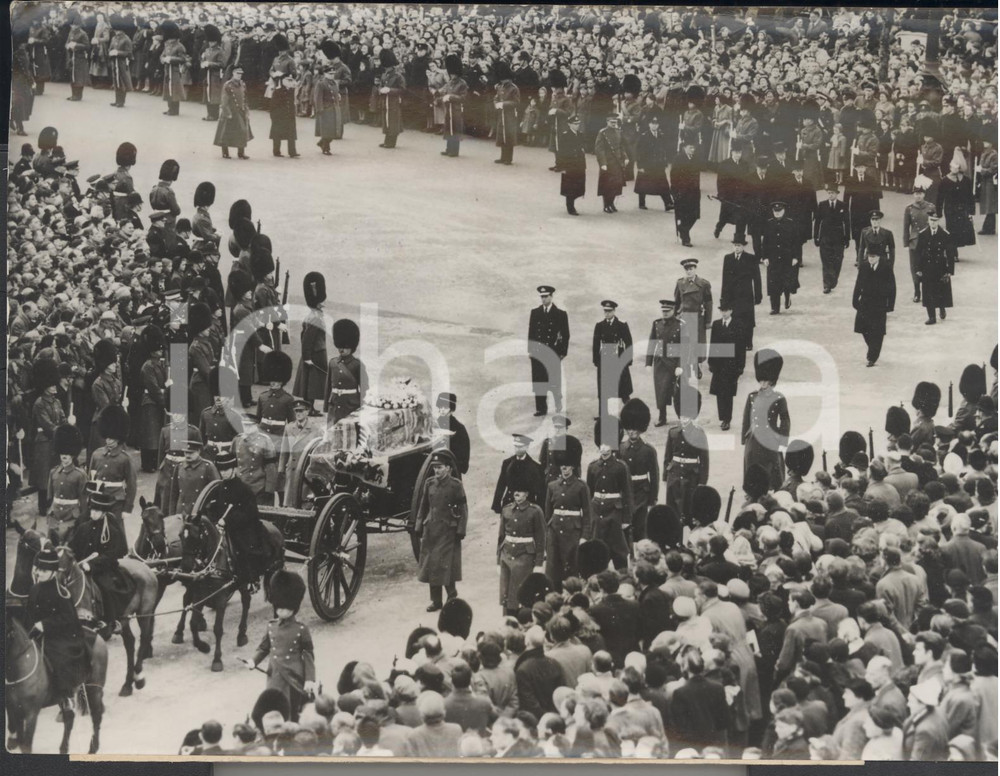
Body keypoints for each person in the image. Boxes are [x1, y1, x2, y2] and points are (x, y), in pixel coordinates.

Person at [245, 569, 317, 723]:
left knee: (292, 708)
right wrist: (253, 661)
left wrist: (310, 679)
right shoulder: (271, 626)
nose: (281, 611)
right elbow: (264, 648)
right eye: (278, 608)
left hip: (293, 677)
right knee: (273, 707)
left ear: (293, 608)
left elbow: (308, 655)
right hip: (275, 676)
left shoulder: (301, 629)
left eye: (285, 608)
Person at [25, 546, 89, 707]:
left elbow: (69, 619)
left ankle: (66, 696)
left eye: (44, 571)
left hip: (61, 635)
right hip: (36, 634)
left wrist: (44, 625)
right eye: (38, 569)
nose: (39, 573)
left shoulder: (62, 593)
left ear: (53, 572)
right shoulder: (34, 589)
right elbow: (29, 615)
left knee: (60, 658)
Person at [69, 489, 131, 637]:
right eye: (92, 510)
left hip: (103, 569)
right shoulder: (84, 528)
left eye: (96, 511)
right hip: (81, 568)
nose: (93, 513)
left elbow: (112, 555)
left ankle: (111, 620)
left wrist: (92, 565)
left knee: (105, 587)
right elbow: (73, 547)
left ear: (103, 512)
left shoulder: (111, 530)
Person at [414, 451, 468, 612]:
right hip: (431, 530)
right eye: (435, 468)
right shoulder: (429, 484)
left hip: (447, 531)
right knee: (432, 566)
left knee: (445, 565)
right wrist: (418, 525)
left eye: (440, 468)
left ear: (448, 468)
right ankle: (436, 601)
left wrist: (461, 529)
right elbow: (423, 506)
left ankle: (452, 596)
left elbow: (463, 509)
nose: (437, 471)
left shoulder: (456, 486)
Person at [497, 474, 546, 616]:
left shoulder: (535, 511)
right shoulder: (506, 509)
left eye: (520, 491)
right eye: (514, 491)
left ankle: (522, 619)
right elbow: (501, 537)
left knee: (519, 592)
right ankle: (507, 619)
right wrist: (498, 561)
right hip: (506, 556)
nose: (516, 494)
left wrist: (538, 563)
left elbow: (541, 538)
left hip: (525, 557)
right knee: (506, 592)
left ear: (527, 494)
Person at [741, 349, 789, 490]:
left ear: (772, 381)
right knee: (751, 465)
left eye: (766, 381)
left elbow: (785, 420)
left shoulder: (779, 398)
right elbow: (746, 419)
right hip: (754, 439)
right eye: (761, 380)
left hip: (770, 439)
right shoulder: (752, 397)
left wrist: (782, 440)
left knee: (773, 469)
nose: (763, 383)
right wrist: (745, 438)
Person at [543, 448, 590, 590]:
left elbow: (587, 514)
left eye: (568, 465)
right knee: (553, 571)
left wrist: (584, 536)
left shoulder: (581, 486)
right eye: (562, 465)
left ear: (573, 466)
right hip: (555, 533)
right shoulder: (552, 486)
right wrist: (547, 535)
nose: (564, 468)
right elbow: (547, 514)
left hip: (573, 533)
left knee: (572, 570)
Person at [663, 389, 709, 524]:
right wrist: (666, 475)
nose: (683, 420)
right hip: (675, 474)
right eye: (681, 417)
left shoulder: (699, 433)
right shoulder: (673, 433)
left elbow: (704, 460)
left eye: (686, 417)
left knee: (688, 509)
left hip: (691, 475)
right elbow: (668, 456)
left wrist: (702, 481)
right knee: (673, 508)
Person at [586, 444, 633, 570]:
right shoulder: (593, 466)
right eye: (602, 446)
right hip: (597, 510)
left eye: (608, 447)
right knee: (597, 544)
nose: (604, 450)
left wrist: (626, 518)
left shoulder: (620, 466)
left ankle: (622, 574)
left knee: (618, 547)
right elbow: (589, 493)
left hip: (614, 511)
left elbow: (627, 492)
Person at [619, 399, 659, 542]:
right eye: (629, 428)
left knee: (641, 528)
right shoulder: (621, 448)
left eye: (635, 428)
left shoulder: (648, 450)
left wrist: (652, 499)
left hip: (642, 493)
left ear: (641, 428)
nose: (632, 432)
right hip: (625, 493)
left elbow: (654, 476)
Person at [527, 286, 569, 417]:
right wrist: (531, 350)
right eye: (542, 297)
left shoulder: (560, 314)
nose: (543, 299)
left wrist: (562, 352)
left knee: (554, 379)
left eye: (546, 296)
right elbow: (532, 333)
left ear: (551, 297)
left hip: (553, 352)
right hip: (538, 352)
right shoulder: (535, 312)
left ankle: (558, 402)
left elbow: (565, 334)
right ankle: (541, 408)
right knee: (539, 380)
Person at [852, 248, 896, 367]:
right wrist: (855, 300)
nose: (871, 259)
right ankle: (872, 347)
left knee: (877, 331)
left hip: (879, 304)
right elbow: (858, 283)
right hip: (865, 302)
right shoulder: (864, 266)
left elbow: (892, 287)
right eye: (869, 257)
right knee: (862, 328)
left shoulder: (886, 268)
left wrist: (890, 305)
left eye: (873, 257)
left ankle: (872, 356)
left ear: (878, 257)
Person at [645, 299, 684, 427]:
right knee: (661, 391)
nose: (665, 313)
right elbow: (652, 344)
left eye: (668, 311)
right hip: (660, 362)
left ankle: (682, 418)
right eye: (663, 311)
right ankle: (662, 417)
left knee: (676, 392)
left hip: (673, 363)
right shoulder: (657, 324)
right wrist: (648, 363)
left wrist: (680, 365)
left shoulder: (680, 325)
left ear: (673, 311)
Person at [291, 272, 327, 412]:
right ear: (318, 302)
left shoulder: (312, 315)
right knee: (312, 383)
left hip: (314, 352)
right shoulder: (315, 318)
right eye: (322, 299)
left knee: (311, 382)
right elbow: (307, 339)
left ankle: (310, 407)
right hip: (315, 353)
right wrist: (307, 357)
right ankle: (309, 408)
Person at [47, 424, 87, 544]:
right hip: (55, 518)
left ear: (73, 454)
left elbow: (84, 502)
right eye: (62, 452)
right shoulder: (53, 472)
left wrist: (83, 523)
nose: (64, 455)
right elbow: (50, 497)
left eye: (67, 453)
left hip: (72, 519)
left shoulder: (80, 475)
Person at [720, 236, 762, 350]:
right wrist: (723, 297)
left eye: (739, 245)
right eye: (735, 245)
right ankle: (735, 342)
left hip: (746, 294)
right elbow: (725, 278)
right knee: (733, 318)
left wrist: (758, 295)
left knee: (747, 319)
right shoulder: (728, 258)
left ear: (743, 246)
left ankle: (748, 342)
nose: (737, 248)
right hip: (732, 294)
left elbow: (757, 278)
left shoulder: (751, 258)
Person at [708, 300, 744, 431]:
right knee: (719, 392)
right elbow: (712, 345)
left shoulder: (738, 325)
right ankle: (722, 417)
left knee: (728, 393)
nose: (724, 313)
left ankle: (727, 419)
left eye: (726, 310)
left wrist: (741, 366)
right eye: (722, 310)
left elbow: (741, 348)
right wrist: (711, 362)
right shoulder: (717, 325)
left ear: (731, 311)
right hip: (718, 365)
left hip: (731, 366)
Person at [915, 212, 956, 326]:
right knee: (928, 292)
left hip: (940, 267)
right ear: (928, 221)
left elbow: (950, 253)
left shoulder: (945, 234)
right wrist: (918, 268)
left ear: (938, 221)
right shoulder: (923, 234)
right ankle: (931, 317)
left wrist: (949, 271)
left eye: (935, 220)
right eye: (931, 220)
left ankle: (942, 307)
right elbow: (918, 252)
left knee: (941, 291)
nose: (933, 222)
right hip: (927, 267)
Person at [673, 258, 712, 375]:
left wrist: (708, 321)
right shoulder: (680, 283)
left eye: (691, 269)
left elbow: (708, 303)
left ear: (695, 269)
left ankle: (697, 366)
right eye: (687, 269)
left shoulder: (704, 284)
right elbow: (677, 301)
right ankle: (684, 366)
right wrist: (675, 317)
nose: (689, 272)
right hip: (684, 317)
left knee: (697, 344)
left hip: (697, 317)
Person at [324, 319, 367, 425]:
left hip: (350, 405)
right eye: (340, 346)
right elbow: (328, 387)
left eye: (345, 347)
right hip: (334, 405)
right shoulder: (333, 363)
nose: (341, 349)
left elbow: (364, 389)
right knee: (332, 433)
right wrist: (326, 406)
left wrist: (363, 408)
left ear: (352, 347)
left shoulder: (357, 365)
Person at [761, 201, 800, 314]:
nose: (777, 213)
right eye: (775, 211)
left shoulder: (791, 223)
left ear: (784, 211)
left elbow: (796, 242)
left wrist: (796, 257)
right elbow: (765, 243)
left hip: (787, 258)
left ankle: (787, 296)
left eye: (779, 211)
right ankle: (774, 307)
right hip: (773, 259)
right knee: (773, 283)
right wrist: (765, 257)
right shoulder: (768, 224)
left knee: (786, 282)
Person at [492, 434, 545, 513]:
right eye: (516, 446)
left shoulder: (535, 467)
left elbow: (540, 492)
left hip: (528, 507)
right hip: (509, 503)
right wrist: (496, 503)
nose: (517, 449)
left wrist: (539, 510)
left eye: (520, 447)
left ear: (527, 447)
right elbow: (501, 484)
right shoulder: (507, 463)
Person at [814, 183, 851, 294]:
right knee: (826, 261)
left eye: (833, 193)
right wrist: (816, 236)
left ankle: (833, 280)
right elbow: (817, 222)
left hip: (839, 238)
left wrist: (847, 238)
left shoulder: (843, 205)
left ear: (836, 194)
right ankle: (826, 284)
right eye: (829, 193)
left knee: (837, 260)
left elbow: (847, 222)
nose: (830, 195)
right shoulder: (822, 205)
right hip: (825, 237)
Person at [902, 187, 937, 303]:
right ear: (913, 195)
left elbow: (934, 223)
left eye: (920, 194)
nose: (918, 196)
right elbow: (906, 227)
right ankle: (917, 291)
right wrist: (906, 242)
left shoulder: (931, 207)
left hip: (928, 240)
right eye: (916, 194)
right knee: (915, 267)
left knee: (929, 266)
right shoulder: (909, 209)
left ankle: (928, 291)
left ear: (924, 195)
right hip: (915, 242)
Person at [902, 678, 949, 761]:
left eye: (911, 701)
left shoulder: (925, 731)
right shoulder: (936, 711)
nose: (908, 705)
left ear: (922, 704)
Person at [937, 160, 976, 252]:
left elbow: (970, 196)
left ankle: (955, 248)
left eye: (957, 167)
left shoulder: (966, 180)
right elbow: (940, 197)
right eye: (953, 167)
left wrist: (971, 211)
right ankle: (953, 252)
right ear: (950, 168)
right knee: (951, 230)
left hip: (963, 209)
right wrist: (939, 212)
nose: (955, 169)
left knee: (961, 230)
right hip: (950, 210)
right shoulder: (945, 181)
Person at [634, 116, 672, 211]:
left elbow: (664, 150)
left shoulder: (661, 135)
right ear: (649, 125)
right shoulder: (644, 136)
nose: (654, 126)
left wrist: (665, 161)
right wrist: (640, 166)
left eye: (656, 124)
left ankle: (668, 204)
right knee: (643, 184)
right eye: (652, 123)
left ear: (658, 125)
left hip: (658, 164)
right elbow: (638, 152)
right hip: (647, 164)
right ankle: (641, 203)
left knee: (663, 184)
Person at [214, 65, 252, 159]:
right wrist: (227, 112)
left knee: (243, 131)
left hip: (240, 111)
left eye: (241, 74)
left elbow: (245, 98)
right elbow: (224, 100)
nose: (239, 75)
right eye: (237, 73)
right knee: (226, 132)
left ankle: (241, 152)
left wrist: (246, 109)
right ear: (233, 73)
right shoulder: (228, 85)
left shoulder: (243, 84)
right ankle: (225, 152)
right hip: (231, 111)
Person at [714, 140, 750, 240]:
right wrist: (721, 194)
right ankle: (719, 227)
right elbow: (720, 181)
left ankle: (738, 238)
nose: (738, 155)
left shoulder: (745, 164)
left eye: (739, 152)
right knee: (724, 217)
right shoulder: (724, 164)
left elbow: (747, 180)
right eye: (736, 152)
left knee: (741, 218)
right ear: (732, 152)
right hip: (728, 196)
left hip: (741, 197)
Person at [595, 113, 629, 213]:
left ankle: (612, 203)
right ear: (607, 122)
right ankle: (606, 205)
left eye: (615, 122)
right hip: (608, 162)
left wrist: (625, 157)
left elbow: (621, 146)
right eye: (611, 122)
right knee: (607, 185)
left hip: (618, 162)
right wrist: (603, 163)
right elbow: (599, 149)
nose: (614, 124)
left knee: (617, 185)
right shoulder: (602, 133)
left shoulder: (618, 132)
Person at [672, 140, 702, 246]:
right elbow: (674, 176)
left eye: (693, 148)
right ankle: (686, 238)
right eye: (690, 147)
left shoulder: (696, 158)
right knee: (684, 215)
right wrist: (675, 192)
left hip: (694, 191)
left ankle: (682, 229)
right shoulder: (678, 158)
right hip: (682, 191)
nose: (692, 150)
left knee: (694, 215)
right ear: (684, 147)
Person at [438, 55, 468, 157]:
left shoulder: (462, 83)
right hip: (448, 109)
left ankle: (455, 150)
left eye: (454, 74)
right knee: (448, 128)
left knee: (455, 128)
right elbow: (443, 92)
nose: (452, 76)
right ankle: (448, 148)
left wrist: (451, 97)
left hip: (456, 109)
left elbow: (463, 98)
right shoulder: (449, 82)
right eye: (451, 74)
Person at [434, 392, 470, 476]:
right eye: (440, 407)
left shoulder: (459, 428)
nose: (442, 410)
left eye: (445, 407)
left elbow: (464, 452)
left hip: (451, 468)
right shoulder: (434, 423)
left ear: (451, 409)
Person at [557, 115, 587, 215]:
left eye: (578, 124)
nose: (577, 126)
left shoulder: (580, 134)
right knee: (570, 187)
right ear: (569, 124)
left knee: (578, 185)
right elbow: (561, 152)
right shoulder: (565, 135)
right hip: (569, 165)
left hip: (579, 164)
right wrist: (562, 166)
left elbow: (583, 148)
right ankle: (570, 207)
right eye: (575, 124)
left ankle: (572, 203)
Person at [377, 50, 405, 150]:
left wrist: (390, 90)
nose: (387, 68)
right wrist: (380, 90)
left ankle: (392, 142)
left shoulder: (398, 75)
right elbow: (380, 86)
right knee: (386, 120)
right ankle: (387, 140)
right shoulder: (384, 75)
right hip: (385, 101)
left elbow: (402, 89)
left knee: (393, 120)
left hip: (393, 101)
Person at [493, 61, 520, 165]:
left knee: (508, 135)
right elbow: (496, 97)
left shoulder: (513, 88)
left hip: (509, 115)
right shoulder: (500, 87)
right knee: (502, 134)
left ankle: (508, 158)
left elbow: (516, 102)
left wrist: (503, 104)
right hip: (501, 114)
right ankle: (503, 156)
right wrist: (496, 103)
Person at [159, 22, 186, 116]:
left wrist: (171, 59)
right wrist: (162, 59)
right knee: (168, 89)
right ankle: (170, 108)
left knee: (175, 90)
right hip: (167, 69)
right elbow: (162, 55)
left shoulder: (179, 46)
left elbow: (183, 59)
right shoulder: (167, 44)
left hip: (175, 70)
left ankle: (175, 110)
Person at [270, 73, 299, 158]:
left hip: (289, 115)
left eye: (291, 80)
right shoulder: (277, 91)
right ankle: (276, 151)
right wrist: (274, 117)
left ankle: (292, 152)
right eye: (288, 80)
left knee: (291, 134)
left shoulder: (291, 91)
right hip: (279, 116)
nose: (290, 82)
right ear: (282, 81)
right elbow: (273, 106)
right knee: (277, 134)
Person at [107, 14, 133, 108]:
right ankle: (117, 100)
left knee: (122, 81)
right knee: (116, 81)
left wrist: (118, 52)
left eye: (118, 30)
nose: (117, 32)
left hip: (122, 63)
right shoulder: (114, 38)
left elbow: (129, 53)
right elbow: (110, 49)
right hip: (115, 62)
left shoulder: (126, 39)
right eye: (116, 30)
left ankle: (121, 101)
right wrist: (110, 52)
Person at [200, 24, 224, 121]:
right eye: (209, 41)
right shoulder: (206, 50)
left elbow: (221, 64)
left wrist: (210, 64)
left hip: (215, 75)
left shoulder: (219, 51)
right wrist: (202, 63)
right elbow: (203, 60)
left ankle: (214, 115)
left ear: (216, 41)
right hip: (207, 75)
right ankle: (209, 114)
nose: (211, 43)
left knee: (214, 95)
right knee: (207, 94)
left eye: (213, 41)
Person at [64, 11, 91, 101]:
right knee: (72, 76)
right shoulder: (71, 32)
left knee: (79, 77)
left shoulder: (83, 34)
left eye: (74, 25)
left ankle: (78, 95)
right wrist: (68, 46)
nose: (73, 27)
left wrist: (76, 45)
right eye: (72, 25)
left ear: (78, 25)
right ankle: (73, 94)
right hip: (72, 56)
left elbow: (87, 46)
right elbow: (67, 42)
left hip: (80, 57)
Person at [978, 138, 998, 235]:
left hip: (990, 182)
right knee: (988, 205)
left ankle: (988, 227)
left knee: (990, 205)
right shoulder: (984, 153)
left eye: (987, 141)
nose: (984, 142)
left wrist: (982, 170)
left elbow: (994, 169)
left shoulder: (994, 154)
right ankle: (989, 227)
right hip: (985, 181)